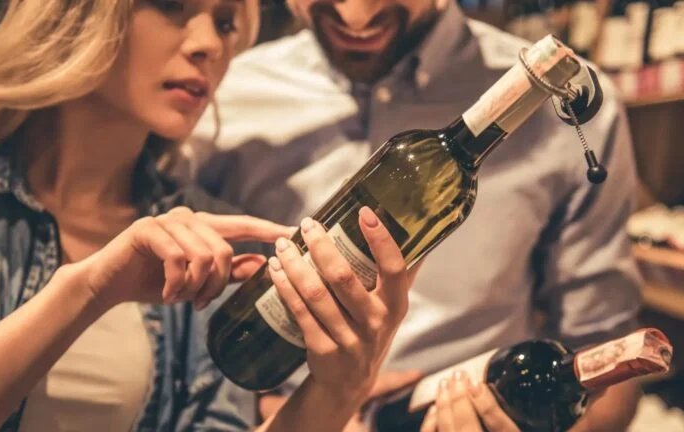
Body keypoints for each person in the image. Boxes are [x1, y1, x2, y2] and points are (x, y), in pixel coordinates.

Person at [0, 0, 416, 431]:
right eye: (169, 5)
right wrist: (88, 292)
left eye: (225, 23)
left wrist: (336, 394)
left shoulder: (211, 241)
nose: (210, 45)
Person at [186, 0, 644, 430]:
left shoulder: (564, 108)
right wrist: (305, 412)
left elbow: (607, 355)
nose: (355, 14)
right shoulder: (215, 94)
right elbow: (179, 337)